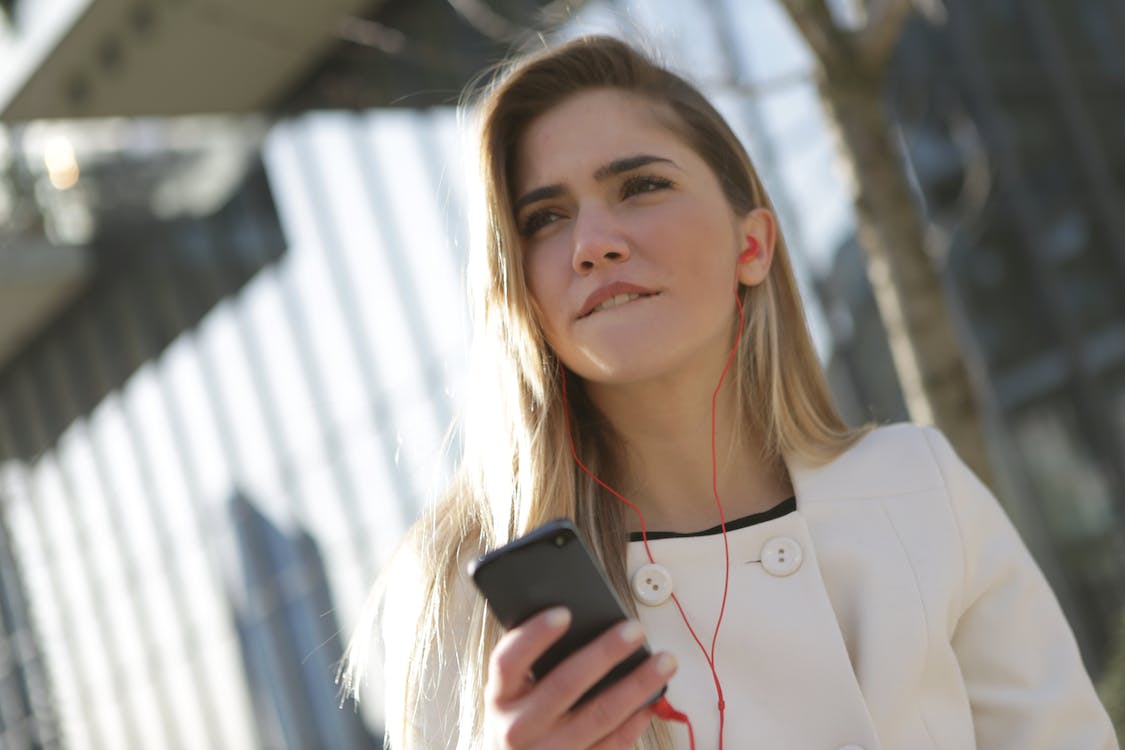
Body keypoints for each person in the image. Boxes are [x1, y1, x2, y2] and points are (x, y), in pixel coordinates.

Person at [342, 35, 1118, 750]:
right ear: (523, 294)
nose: (591, 244)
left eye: (640, 185)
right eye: (544, 218)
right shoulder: (458, 590)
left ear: (750, 245)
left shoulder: (918, 487)